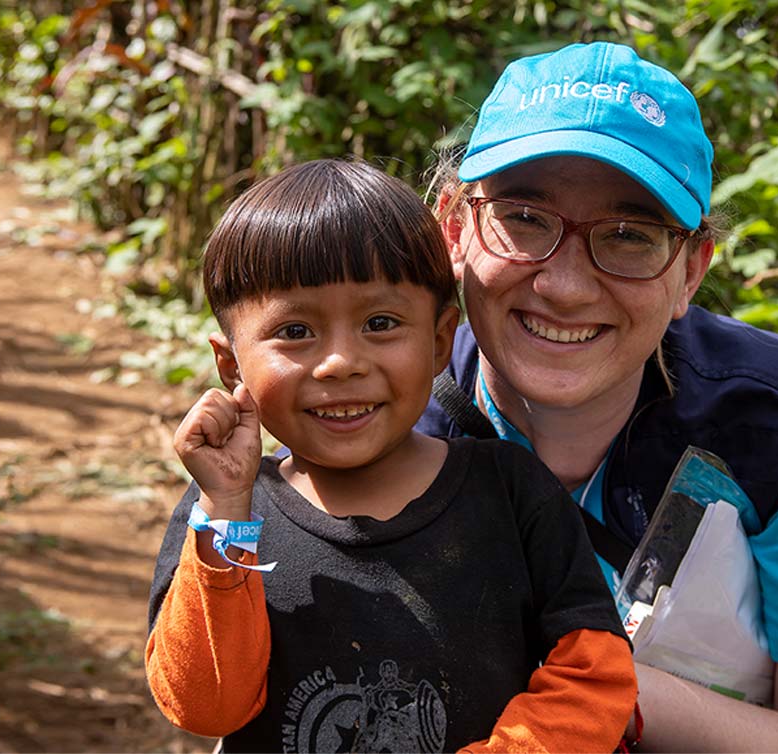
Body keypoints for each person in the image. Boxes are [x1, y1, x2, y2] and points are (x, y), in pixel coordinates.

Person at [151, 42, 778, 752]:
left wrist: (587, 683)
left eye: (629, 233)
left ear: (691, 270)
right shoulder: (373, 405)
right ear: (454, 226)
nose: (563, 284)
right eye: (523, 218)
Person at [144, 158, 637, 752]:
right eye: (295, 332)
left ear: (438, 341)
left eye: (380, 322)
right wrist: (224, 512)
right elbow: (204, 706)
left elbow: (596, 675)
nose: (341, 362)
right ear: (231, 366)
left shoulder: (509, 492)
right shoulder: (226, 522)